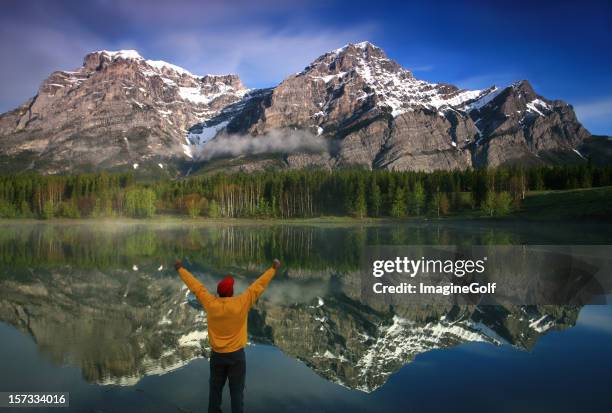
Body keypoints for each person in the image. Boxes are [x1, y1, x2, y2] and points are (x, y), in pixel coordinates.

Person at [174, 258, 281, 413]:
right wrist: (273, 269)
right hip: (237, 357)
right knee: (237, 393)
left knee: (215, 391)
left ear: (219, 292)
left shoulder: (210, 304)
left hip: (217, 356)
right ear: (231, 292)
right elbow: (258, 286)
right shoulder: (241, 303)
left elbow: (195, 286)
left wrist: (180, 269)